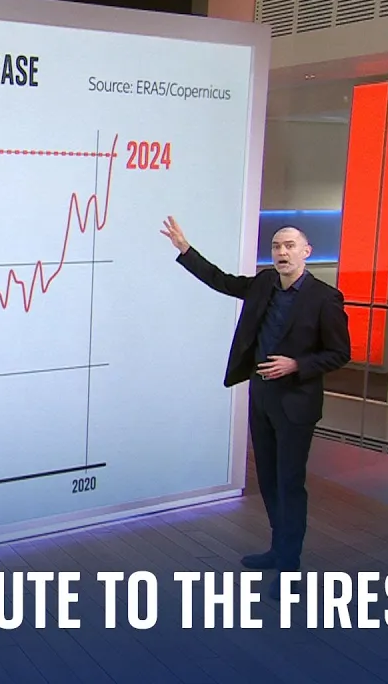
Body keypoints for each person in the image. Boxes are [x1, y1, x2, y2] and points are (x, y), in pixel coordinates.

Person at [160, 216, 351, 600]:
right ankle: (278, 548)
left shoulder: (325, 298)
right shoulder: (264, 283)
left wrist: (297, 365)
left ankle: (289, 567)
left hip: (296, 403)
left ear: (306, 252)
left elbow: (339, 352)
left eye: (290, 246)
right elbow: (223, 281)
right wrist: (186, 250)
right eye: (277, 246)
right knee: (267, 478)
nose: (282, 252)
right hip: (262, 397)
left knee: (289, 483)